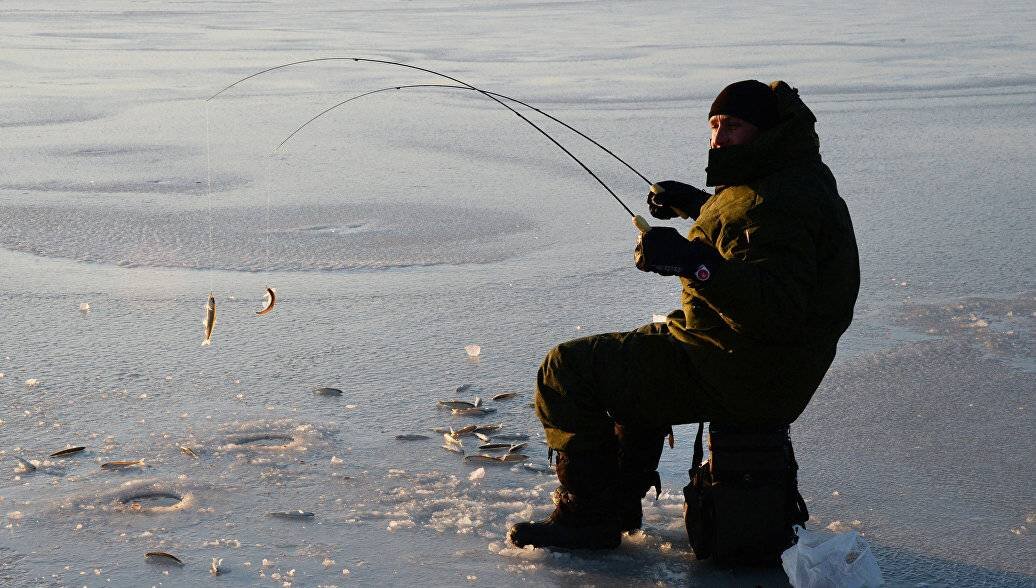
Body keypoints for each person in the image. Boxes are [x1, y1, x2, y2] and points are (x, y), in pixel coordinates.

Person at [508, 80, 860, 550]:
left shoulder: (773, 202)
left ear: (767, 131)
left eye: (732, 126)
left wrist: (691, 262)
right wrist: (698, 205)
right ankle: (614, 503)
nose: (718, 138)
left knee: (566, 369)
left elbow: (774, 311)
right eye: (714, 126)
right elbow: (748, 233)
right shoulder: (790, 175)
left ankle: (590, 518)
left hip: (739, 367)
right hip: (756, 362)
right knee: (639, 358)